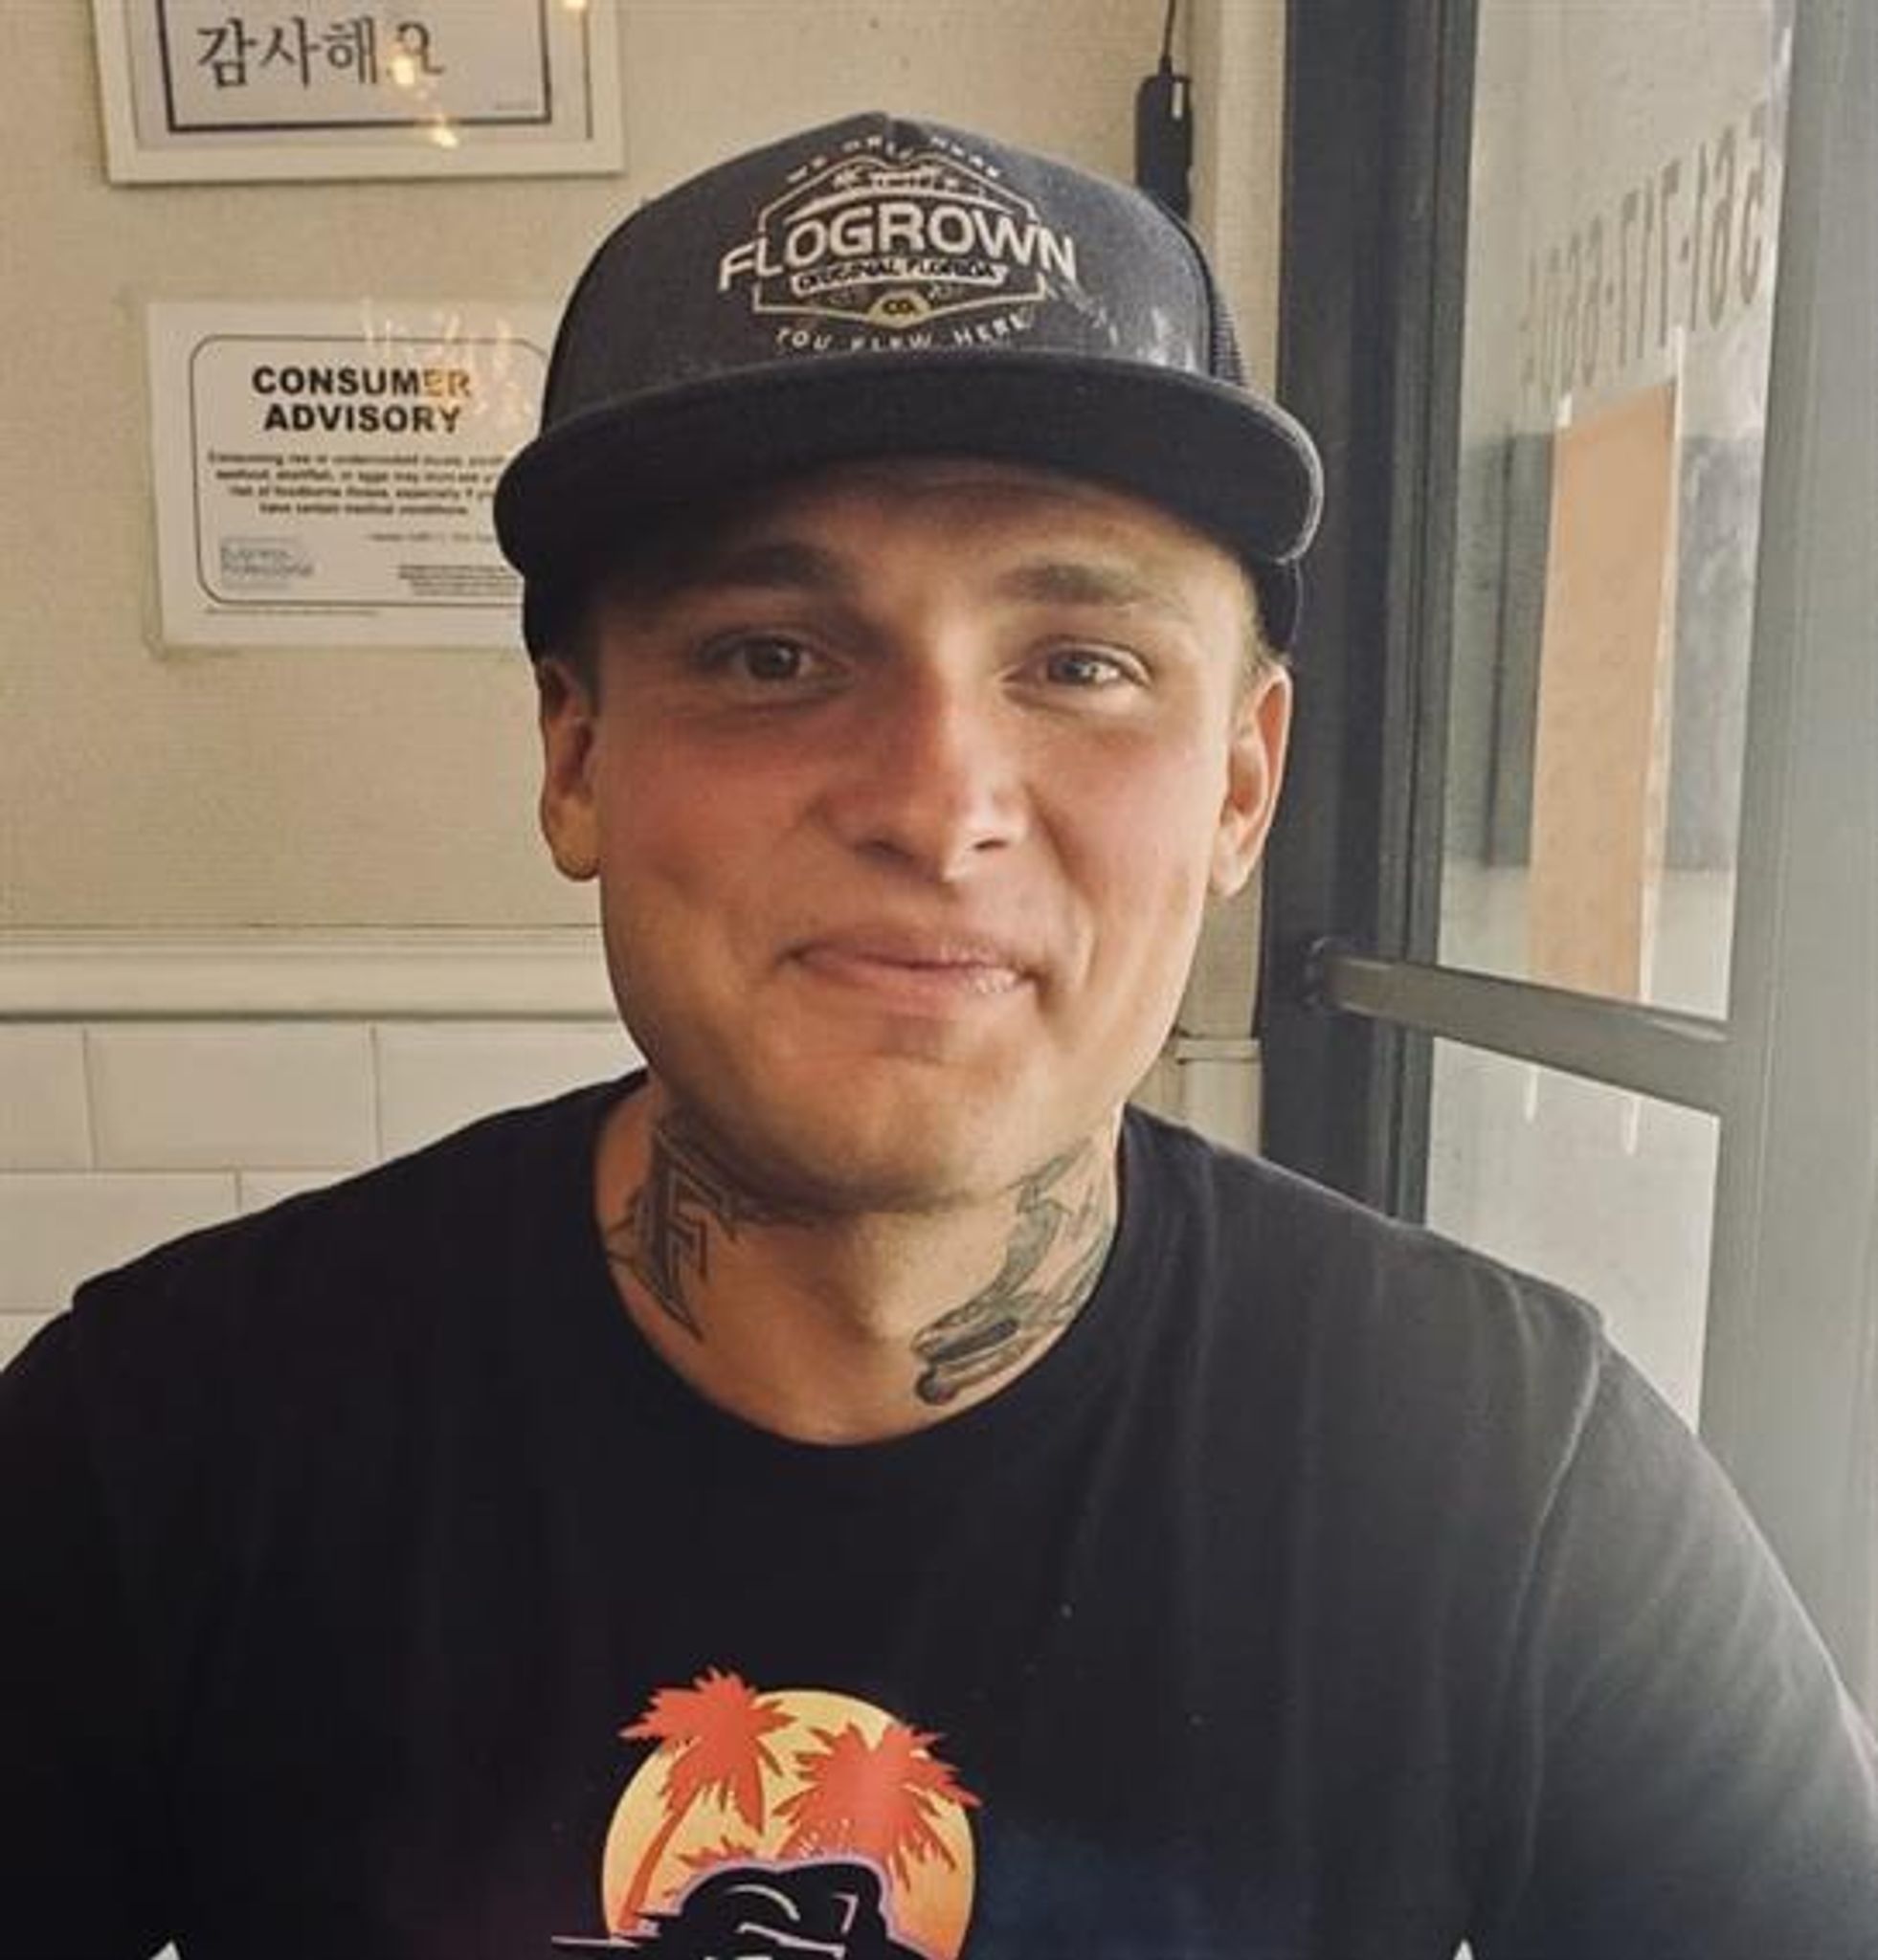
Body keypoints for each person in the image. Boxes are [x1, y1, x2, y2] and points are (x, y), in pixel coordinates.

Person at [3, 112, 1875, 1960]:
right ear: (576, 757)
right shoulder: (163, 1447)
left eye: (1080, 665)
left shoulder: (1510, 1479)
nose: (934, 800)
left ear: (1239, 786)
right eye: (770, 657)